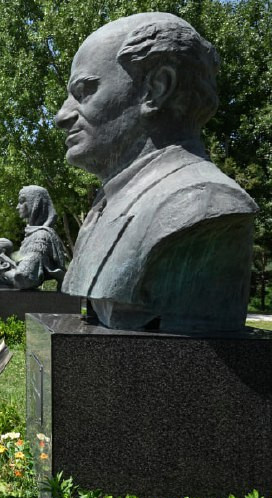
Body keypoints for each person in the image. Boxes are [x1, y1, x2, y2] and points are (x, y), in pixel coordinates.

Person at [55, 13, 257, 332]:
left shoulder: (205, 204)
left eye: (84, 91)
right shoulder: (104, 206)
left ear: (156, 88)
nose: (61, 116)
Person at [0, 186, 66, 289]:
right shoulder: (32, 235)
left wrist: (2, 270)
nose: (17, 207)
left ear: (35, 204)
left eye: (21, 201)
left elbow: (25, 278)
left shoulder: (40, 237)